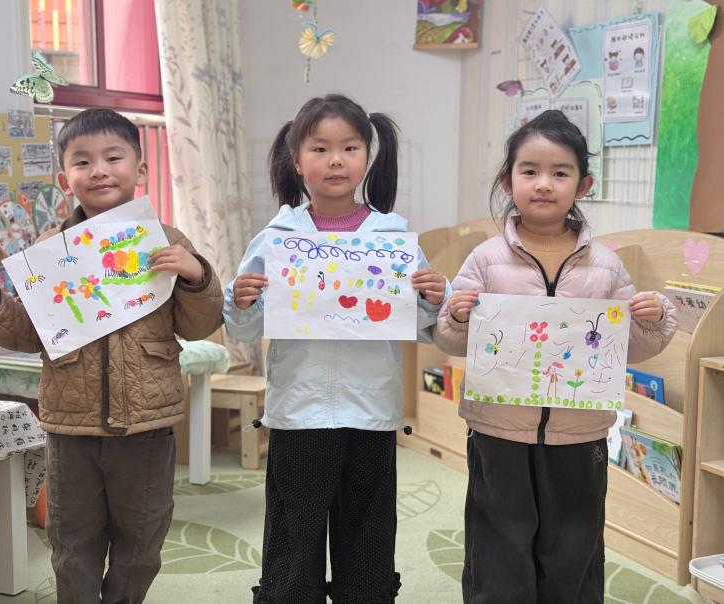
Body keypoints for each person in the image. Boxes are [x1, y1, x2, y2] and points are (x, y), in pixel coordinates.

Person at [0, 108, 224, 603]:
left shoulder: (168, 241)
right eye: (82, 161)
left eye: (113, 157)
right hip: (70, 428)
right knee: (72, 542)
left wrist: (196, 275)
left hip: (146, 425)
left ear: (141, 169)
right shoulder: (49, 249)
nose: (98, 170)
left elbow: (198, 324)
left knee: (142, 541)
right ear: (65, 180)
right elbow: (32, 331)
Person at [433, 109, 677, 603]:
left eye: (560, 172)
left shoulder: (606, 265)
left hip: (578, 434)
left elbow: (628, 347)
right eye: (530, 171)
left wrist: (653, 319)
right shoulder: (485, 258)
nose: (544, 183)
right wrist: (456, 315)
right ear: (508, 181)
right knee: (498, 542)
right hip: (498, 430)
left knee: (573, 545)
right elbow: (451, 340)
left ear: (583, 185)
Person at [225, 93, 448, 603]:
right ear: (296, 160)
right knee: (293, 542)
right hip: (298, 412)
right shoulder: (278, 236)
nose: (335, 160)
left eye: (349, 148)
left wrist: (435, 296)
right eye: (320, 148)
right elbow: (244, 328)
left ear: (367, 157)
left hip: (370, 412)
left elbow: (423, 325)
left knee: (368, 539)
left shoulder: (391, 237)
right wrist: (241, 301)